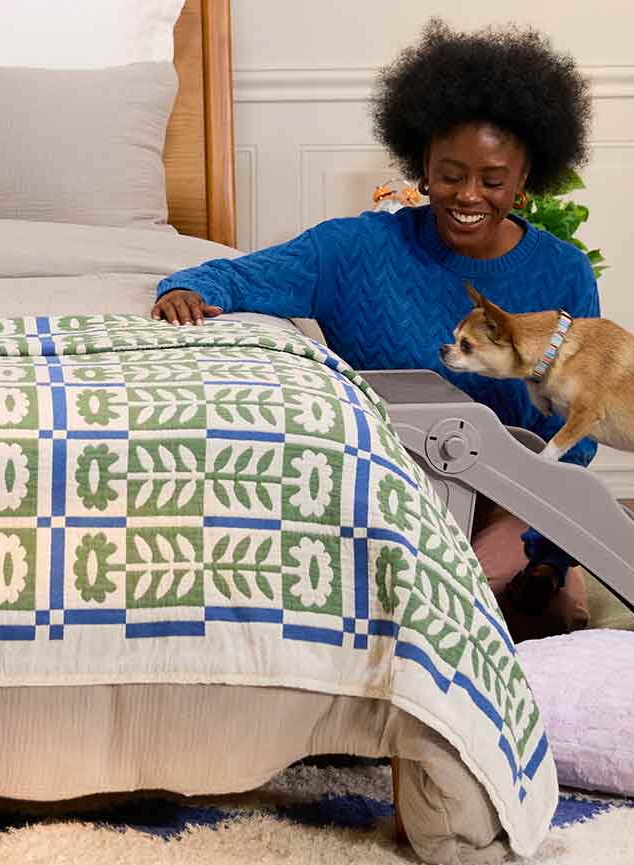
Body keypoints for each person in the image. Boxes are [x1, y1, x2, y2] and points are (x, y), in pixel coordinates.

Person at [152, 19, 598, 636]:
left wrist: (525, 523)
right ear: (423, 166)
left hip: (515, 499)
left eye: (493, 181)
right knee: (425, 608)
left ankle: (513, 582)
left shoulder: (564, 274)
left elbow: (575, 432)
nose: (469, 195)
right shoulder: (354, 250)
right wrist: (186, 291)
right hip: (390, 501)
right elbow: (231, 276)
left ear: (525, 180)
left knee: (552, 612)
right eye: (451, 174)